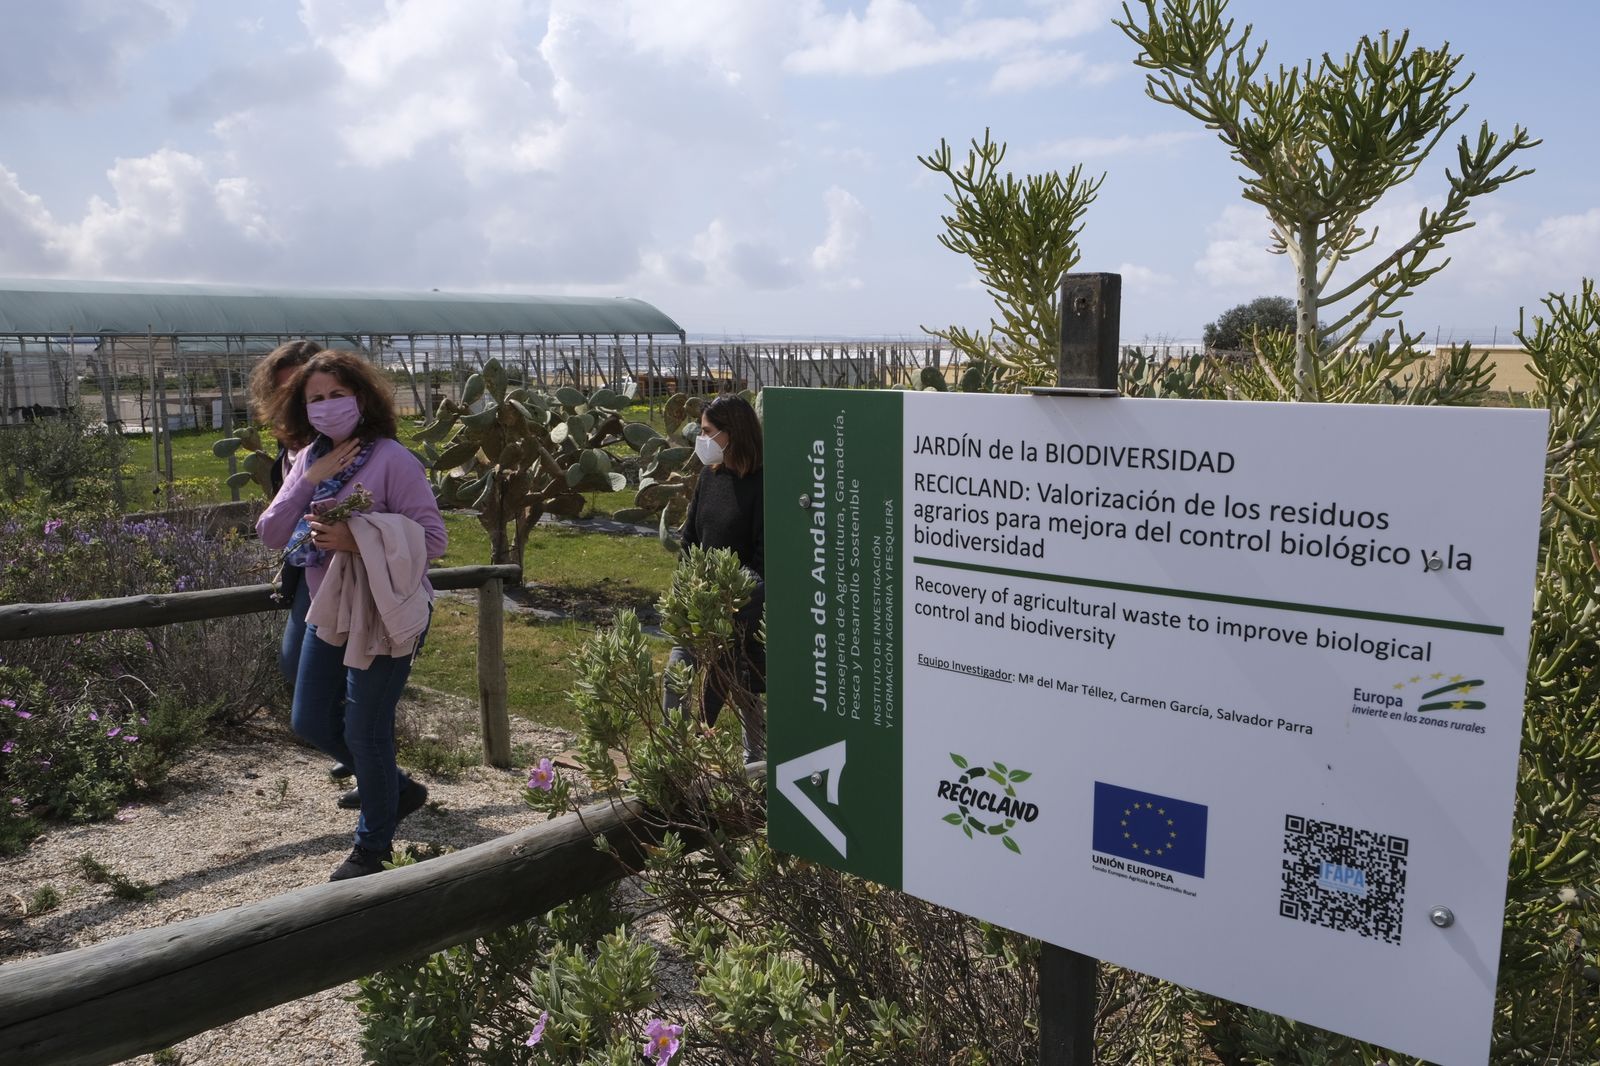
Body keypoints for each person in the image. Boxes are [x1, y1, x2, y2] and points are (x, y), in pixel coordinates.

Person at [257, 350, 448, 880]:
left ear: (361, 398)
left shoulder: (393, 459)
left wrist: (358, 538)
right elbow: (273, 534)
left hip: (383, 611)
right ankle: (396, 787)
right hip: (329, 610)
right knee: (310, 719)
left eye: (337, 395)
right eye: (315, 398)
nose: (327, 406)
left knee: (366, 730)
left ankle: (372, 848)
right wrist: (307, 476)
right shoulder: (304, 460)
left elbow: (434, 540)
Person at [249, 340, 359, 798]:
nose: (305, 402)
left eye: (312, 391)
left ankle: (375, 774)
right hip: (307, 579)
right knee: (300, 673)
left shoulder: (352, 450)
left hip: (354, 583)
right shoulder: (293, 459)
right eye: (290, 391)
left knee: (350, 686)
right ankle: (367, 764)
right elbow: (276, 526)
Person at [664, 393, 766, 761]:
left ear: (732, 434)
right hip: (699, 604)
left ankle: (755, 770)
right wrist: (685, 593)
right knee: (676, 678)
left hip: (743, 609)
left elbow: (762, 559)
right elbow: (690, 537)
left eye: (708, 432)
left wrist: (731, 604)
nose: (702, 440)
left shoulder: (762, 485)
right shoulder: (709, 477)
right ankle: (673, 759)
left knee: (744, 690)